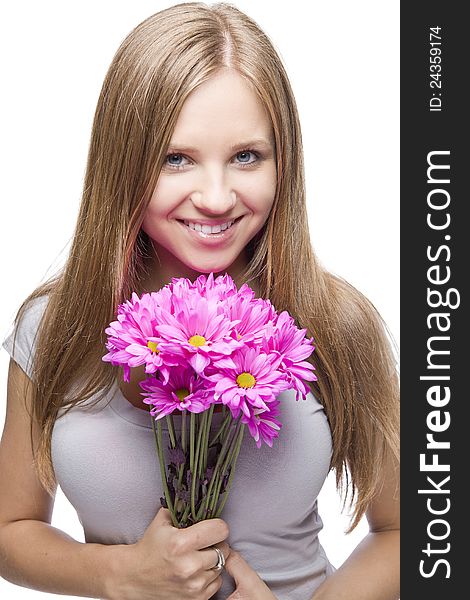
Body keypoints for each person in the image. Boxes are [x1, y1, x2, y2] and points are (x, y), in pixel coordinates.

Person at [0, 2, 399, 599]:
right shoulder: (54, 325)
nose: (216, 198)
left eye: (246, 156)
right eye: (176, 158)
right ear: (123, 163)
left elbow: (414, 530)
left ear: (281, 161)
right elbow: (11, 528)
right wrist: (118, 574)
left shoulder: (334, 322)